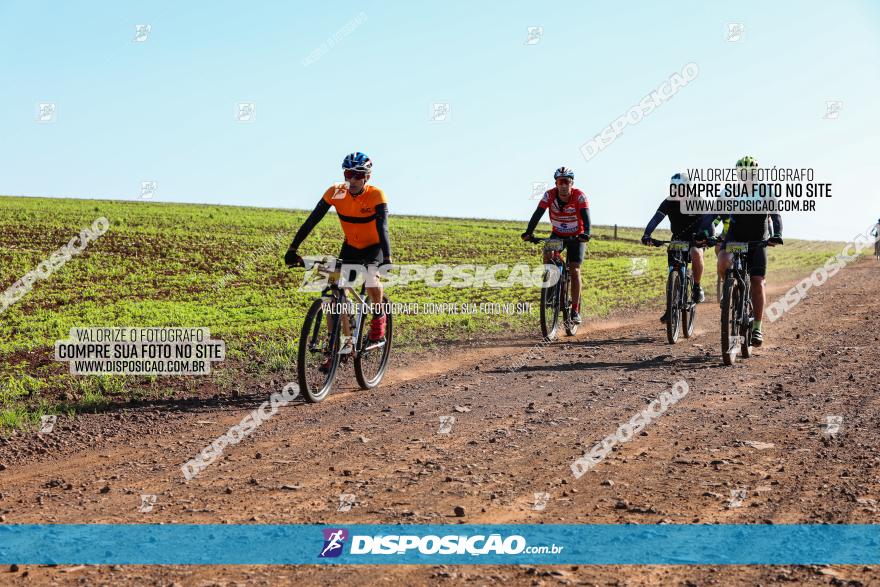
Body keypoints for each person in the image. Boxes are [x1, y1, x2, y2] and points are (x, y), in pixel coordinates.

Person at [285, 152, 391, 354]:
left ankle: (379, 317)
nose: (352, 179)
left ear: (367, 176)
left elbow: (383, 228)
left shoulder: (376, 195)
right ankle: (340, 345)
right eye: (348, 173)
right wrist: (293, 249)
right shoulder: (336, 192)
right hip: (351, 247)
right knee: (333, 291)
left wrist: (387, 258)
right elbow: (311, 221)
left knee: (370, 277)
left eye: (358, 175)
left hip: (374, 248)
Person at [716, 156, 783, 347]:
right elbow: (713, 213)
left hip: (757, 241)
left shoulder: (766, 191)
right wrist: (706, 230)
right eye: (742, 174)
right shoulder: (730, 191)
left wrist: (777, 233)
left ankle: (757, 328)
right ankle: (729, 289)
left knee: (757, 282)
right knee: (722, 261)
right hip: (735, 238)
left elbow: (776, 215)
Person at [641, 172, 714, 323]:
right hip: (678, 239)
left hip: (696, 239)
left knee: (695, 252)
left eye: (680, 187)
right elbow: (656, 218)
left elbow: (709, 223)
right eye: (674, 187)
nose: (676, 191)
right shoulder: (668, 202)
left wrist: (708, 237)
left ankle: (697, 287)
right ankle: (670, 308)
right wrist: (647, 234)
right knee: (672, 272)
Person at [521, 167, 591, 324]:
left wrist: (586, 233)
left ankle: (574, 310)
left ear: (572, 183)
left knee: (574, 269)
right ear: (556, 183)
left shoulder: (579, 196)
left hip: (576, 237)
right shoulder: (549, 195)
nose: (563, 185)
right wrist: (529, 232)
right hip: (558, 234)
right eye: (560, 182)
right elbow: (537, 213)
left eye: (566, 181)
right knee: (547, 252)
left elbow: (587, 218)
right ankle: (551, 289)